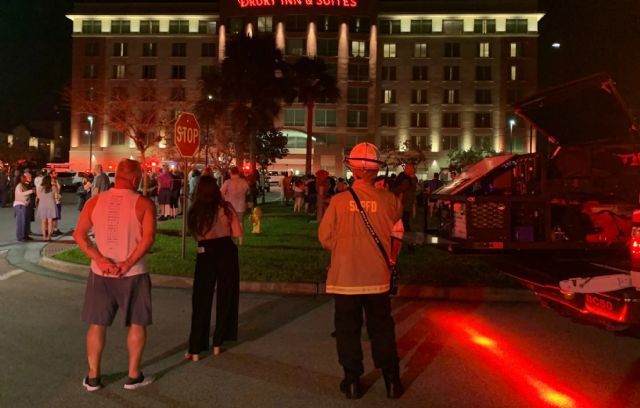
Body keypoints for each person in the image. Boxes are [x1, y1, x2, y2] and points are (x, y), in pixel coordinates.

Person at [318, 142, 404, 400]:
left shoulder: (339, 201)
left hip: (345, 279)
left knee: (347, 330)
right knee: (382, 328)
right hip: (377, 278)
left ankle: (353, 381)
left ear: (353, 170)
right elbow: (397, 228)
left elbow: (324, 238)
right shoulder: (389, 200)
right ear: (376, 172)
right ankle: (391, 380)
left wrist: (343, 249)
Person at [73, 158, 156, 392]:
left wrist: (100, 259)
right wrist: (127, 262)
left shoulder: (95, 201)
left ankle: (93, 377)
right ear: (135, 178)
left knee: (97, 324)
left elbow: (79, 235)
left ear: (116, 175)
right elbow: (148, 238)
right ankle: (133, 375)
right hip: (134, 273)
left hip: (100, 273)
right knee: (137, 323)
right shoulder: (143, 204)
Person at [185, 176, 242, 361]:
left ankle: (195, 348)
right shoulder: (226, 207)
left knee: (201, 299)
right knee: (226, 296)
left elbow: (195, 235)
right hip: (226, 250)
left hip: (205, 252)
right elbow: (238, 232)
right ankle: (218, 341)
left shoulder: (195, 211)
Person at [220, 166, 249, 243]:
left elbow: (221, 192)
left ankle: (231, 239)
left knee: (229, 223)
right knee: (240, 222)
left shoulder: (228, 182)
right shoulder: (243, 182)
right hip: (240, 205)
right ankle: (240, 240)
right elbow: (247, 191)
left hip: (230, 206)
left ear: (231, 173)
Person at [392, 163, 418, 236]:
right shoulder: (406, 178)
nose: (405, 170)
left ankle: (407, 240)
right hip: (404, 203)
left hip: (404, 203)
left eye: (407, 168)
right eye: (406, 168)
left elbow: (398, 189)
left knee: (404, 222)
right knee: (404, 222)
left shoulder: (408, 179)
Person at [36, 175, 58, 241]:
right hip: (51, 204)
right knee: (50, 221)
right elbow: (56, 196)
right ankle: (49, 236)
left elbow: (38, 196)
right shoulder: (53, 187)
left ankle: (44, 236)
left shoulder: (40, 187)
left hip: (42, 205)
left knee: (43, 221)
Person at [13, 173, 34, 242]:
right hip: (20, 205)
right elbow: (21, 194)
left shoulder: (24, 185)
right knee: (21, 222)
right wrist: (31, 191)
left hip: (25, 205)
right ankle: (21, 237)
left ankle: (25, 235)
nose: (25, 178)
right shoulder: (19, 185)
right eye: (23, 177)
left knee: (26, 221)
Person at [50, 171, 63, 236]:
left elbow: (59, 189)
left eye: (56, 173)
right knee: (53, 217)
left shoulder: (56, 180)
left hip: (57, 201)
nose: (56, 174)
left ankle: (56, 229)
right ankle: (52, 230)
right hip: (53, 201)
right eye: (55, 173)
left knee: (57, 216)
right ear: (51, 174)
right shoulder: (50, 182)